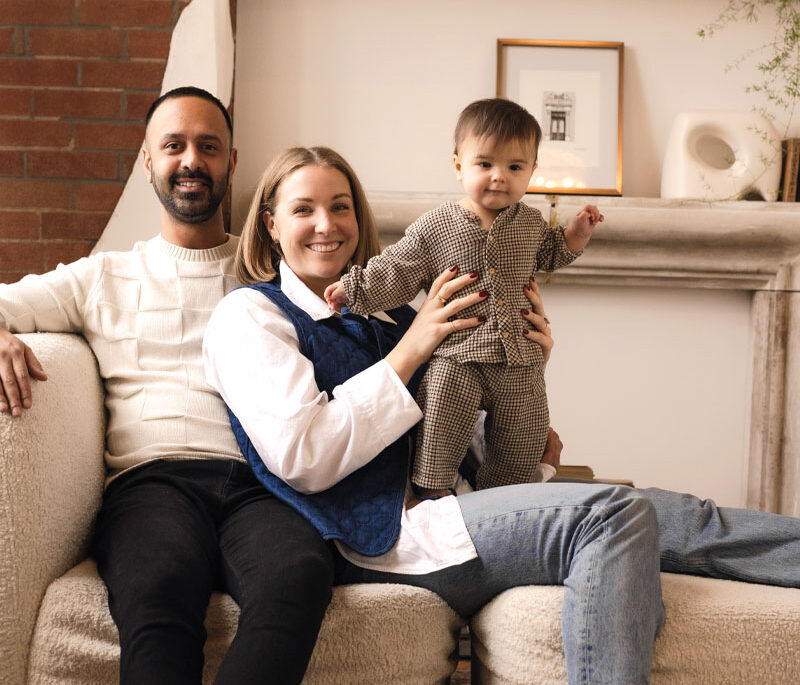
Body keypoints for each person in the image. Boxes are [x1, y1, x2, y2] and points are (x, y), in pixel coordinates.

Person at [203, 145, 665, 684]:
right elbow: (306, 456)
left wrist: (527, 367)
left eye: (341, 206)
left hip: (474, 505)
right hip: (398, 535)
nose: (326, 224)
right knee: (615, 514)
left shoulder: (398, 315)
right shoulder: (250, 315)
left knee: (677, 516)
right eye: (303, 209)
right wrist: (413, 348)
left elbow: (465, 427)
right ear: (271, 225)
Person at [0, 87, 336, 685]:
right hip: (152, 485)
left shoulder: (273, 273)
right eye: (174, 146)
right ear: (147, 161)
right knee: (158, 587)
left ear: (231, 163)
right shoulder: (102, 276)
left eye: (209, 147)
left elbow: (384, 349)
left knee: (301, 573)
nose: (191, 161)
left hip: (264, 487)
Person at [325, 98, 603, 498]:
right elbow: (399, 267)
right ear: (458, 166)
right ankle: (430, 492)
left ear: (532, 172)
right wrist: (356, 288)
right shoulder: (436, 226)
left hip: (520, 358)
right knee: (439, 424)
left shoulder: (530, 222)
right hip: (456, 356)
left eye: (515, 167)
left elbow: (552, 253)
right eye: (484, 164)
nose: (498, 177)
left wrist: (578, 233)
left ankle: (504, 504)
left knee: (523, 437)